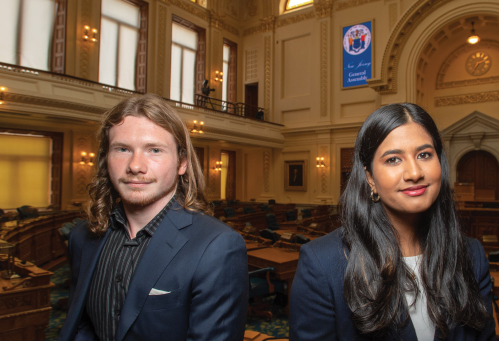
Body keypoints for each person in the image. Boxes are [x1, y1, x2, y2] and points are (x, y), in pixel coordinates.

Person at [290, 103, 494, 340]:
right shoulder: (322, 264)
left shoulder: (472, 255)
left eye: (424, 155)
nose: (414, 172)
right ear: (370, 178)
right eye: (393, 160)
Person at [59, 94, 248, 341]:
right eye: (122, 149)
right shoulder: (82, 236)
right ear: (106, 160)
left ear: (182, 163)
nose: (136, 166)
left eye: (155, 150)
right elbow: (83, 328)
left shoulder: (219, 246)